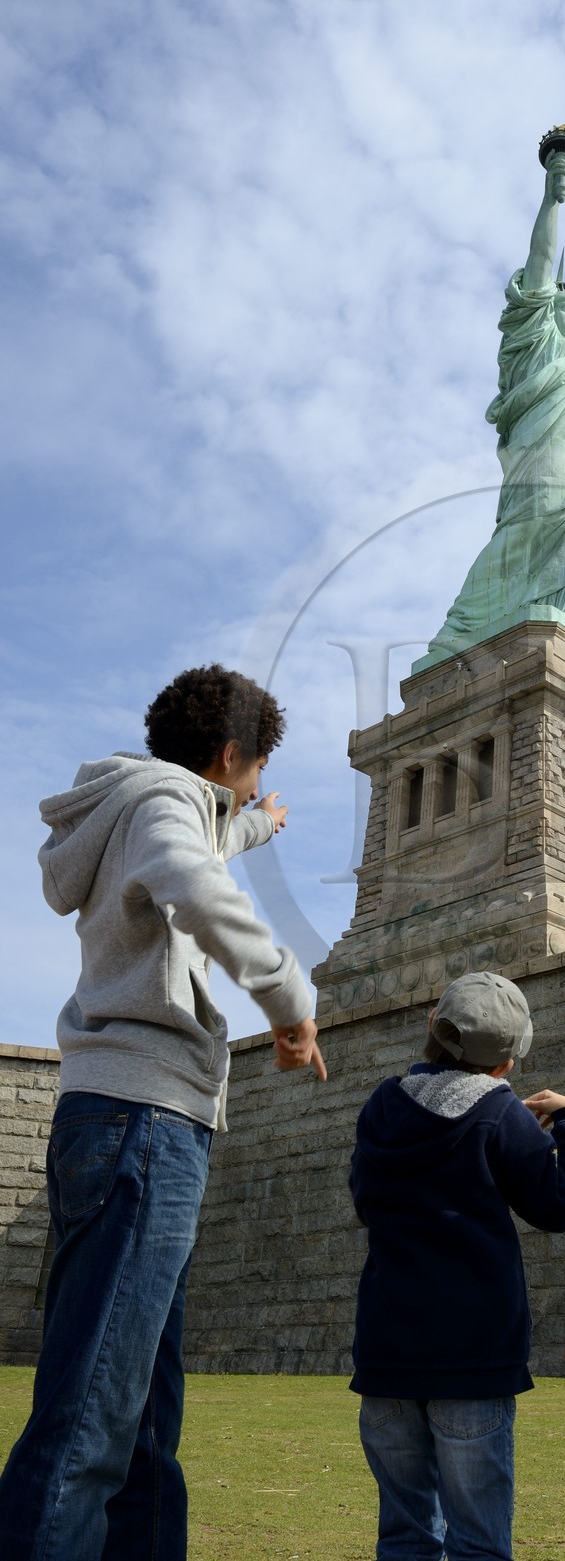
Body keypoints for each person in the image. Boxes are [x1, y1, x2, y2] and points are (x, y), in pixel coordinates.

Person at [0, 663, 326, 1561]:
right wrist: (289, 999)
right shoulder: (162, 809)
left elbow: (202, 849)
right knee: (95, 1413)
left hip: (122, 1120)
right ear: (231, 755)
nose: (254, 788)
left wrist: (259, 823)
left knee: (142, 1415)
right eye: (255, 774)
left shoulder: (140, 812)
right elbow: (196, 878)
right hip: (143, 1121)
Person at [350, 970, 565, 1561]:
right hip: (472, 1358)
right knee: (478, 1544)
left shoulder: (383, 1104)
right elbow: (558, 1204)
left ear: (430, 1029)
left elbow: (364, 1197)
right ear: (508, 1063)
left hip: (387, 1355)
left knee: (406, 1538)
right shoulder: (499, 1113)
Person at [427, 143, 565, 660]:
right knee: (524, 533)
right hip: (543, 458)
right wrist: (553, 199)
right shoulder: (530, 338)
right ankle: (465, 629)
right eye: (560, 305)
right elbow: (541, 260)